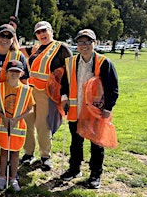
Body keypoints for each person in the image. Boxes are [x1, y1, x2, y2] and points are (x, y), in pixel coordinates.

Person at [59, 29, 119, 189]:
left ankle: (95, 175)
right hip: (76, 109)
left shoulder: (104, 63)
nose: (84, 46)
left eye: (88, 42)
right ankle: (74, 169)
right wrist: (64, 98)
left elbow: (113, 88)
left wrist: (108, 108)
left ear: (95, 43)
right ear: (76, 44)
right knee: (76, 142)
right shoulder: (70, 62)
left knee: (96, 144)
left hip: (95, 111)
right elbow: (64, 83)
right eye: (80, 42)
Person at [19, 21, 72, 171]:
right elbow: (18, 48)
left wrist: (65, 95)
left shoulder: (61, 48)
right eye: (38, 32)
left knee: (43, 124)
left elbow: (69, 73)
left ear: (51, 31)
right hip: (30, 90)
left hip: (47, 92)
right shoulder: (36, 48)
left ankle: (45, 156)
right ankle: (28, 153)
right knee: (28, 122)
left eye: (44, 31)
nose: (42, 34)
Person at [0, 24, 30, 179]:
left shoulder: (18, 56)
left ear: (13, 39)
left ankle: (7, 163)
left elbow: (25, 81)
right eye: (2, 35)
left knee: (6, 132)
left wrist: (22, 105)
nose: (5, 39)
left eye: (9, 36)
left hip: (10, 102)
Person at [0, 60, 35, 191]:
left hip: (18, 126)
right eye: (12, 71)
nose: (14, 74)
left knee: (15, 152)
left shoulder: (26, 90)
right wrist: (3, 117)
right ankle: (2, 176)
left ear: (22, 73)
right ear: (6, 72)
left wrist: (17, 119)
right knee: (3, 151)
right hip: (3, 124)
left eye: (17, 71)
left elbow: (30, 108)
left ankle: (13, 178)